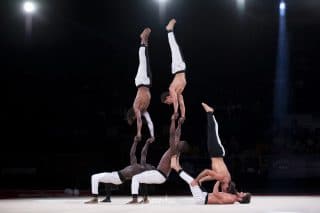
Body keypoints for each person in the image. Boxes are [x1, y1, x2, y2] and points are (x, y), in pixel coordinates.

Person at [127, 115, 187, 204]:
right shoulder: (176, 149)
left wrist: (173, 120)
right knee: (142, 175)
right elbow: (178, 134)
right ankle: (145, 198)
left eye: (180, 142)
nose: (179, 140)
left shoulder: (174, 149)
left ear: (180, 146)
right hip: (160, 174)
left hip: (160, 175)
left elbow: (172, 134)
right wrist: (179, 124)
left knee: (135, 178)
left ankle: (135, 199)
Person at [84, 137, 154, 204]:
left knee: (94, 177)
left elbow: (134, 154)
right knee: (104, 178)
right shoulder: (140, 166)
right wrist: (145, 143)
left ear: (149, 170)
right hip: (117, 176)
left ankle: (95, 198)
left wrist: (136, 142)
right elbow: (142, 153)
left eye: (151, 166)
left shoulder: (141, 169)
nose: (151, 165)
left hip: (117, 177)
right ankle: (107, 198)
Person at [171, 155, 251, 204]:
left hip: (201, 199)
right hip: (204, 195)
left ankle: (176, 167)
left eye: (243, 194)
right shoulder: (233, 196)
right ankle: (177, 166)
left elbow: (215, 193)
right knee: (197, 182)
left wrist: (219, 180)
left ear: (240, 199)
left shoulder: (231, 199)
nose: (242, 192)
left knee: (192, 181)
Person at [192, 102, 233, 193]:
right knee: (212, 132)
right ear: (228, 187)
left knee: (211, 132)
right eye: (224, 190)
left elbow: (212, 176)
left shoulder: (223, 179)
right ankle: (210, 112)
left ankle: (210, 113)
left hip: (214, 153)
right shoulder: (224, 179)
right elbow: (207, 171)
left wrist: (201, 180)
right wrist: (196, 179)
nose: (222, 190)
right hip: (217, 152)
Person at [127, 28, 155, 142]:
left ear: (133, 115)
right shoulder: (143, 110)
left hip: (142, 81)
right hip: (145, 82)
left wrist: (138, 133)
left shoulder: (136, 106)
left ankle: (143, 39)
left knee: (143, 59)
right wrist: (152, 135)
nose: (136, 119)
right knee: (145, 59)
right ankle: (145, 41)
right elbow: (149, 121)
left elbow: (139, 120)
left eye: (133, 118)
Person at [160, 19, 187, 122]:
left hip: (178, 68)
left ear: (167, 97)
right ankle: (169, 30)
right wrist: (182, 116)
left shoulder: (171, 88)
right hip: (180, 68)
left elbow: (175, 102)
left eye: (167, 103)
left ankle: (169, 30)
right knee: (175, 47)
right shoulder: (178, 93)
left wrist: (175, 112)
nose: (169, 104)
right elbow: (182, 104)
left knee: (174, 47)